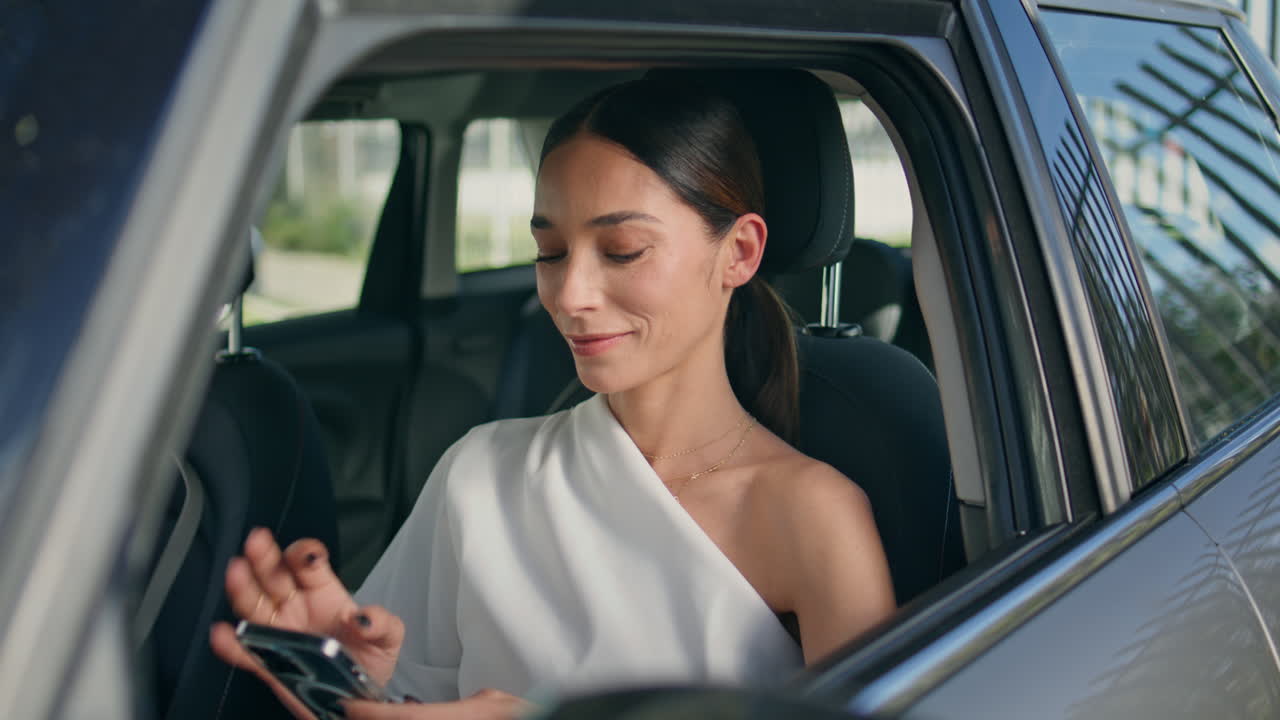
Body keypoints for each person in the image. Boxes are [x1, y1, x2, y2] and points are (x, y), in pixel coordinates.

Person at [210, 75, 896, 720]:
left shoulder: (814, 520)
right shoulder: (480, 473)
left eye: (623, 249)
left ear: (739, 253)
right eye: (550, 251)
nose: (569, 295)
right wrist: (354, 689)